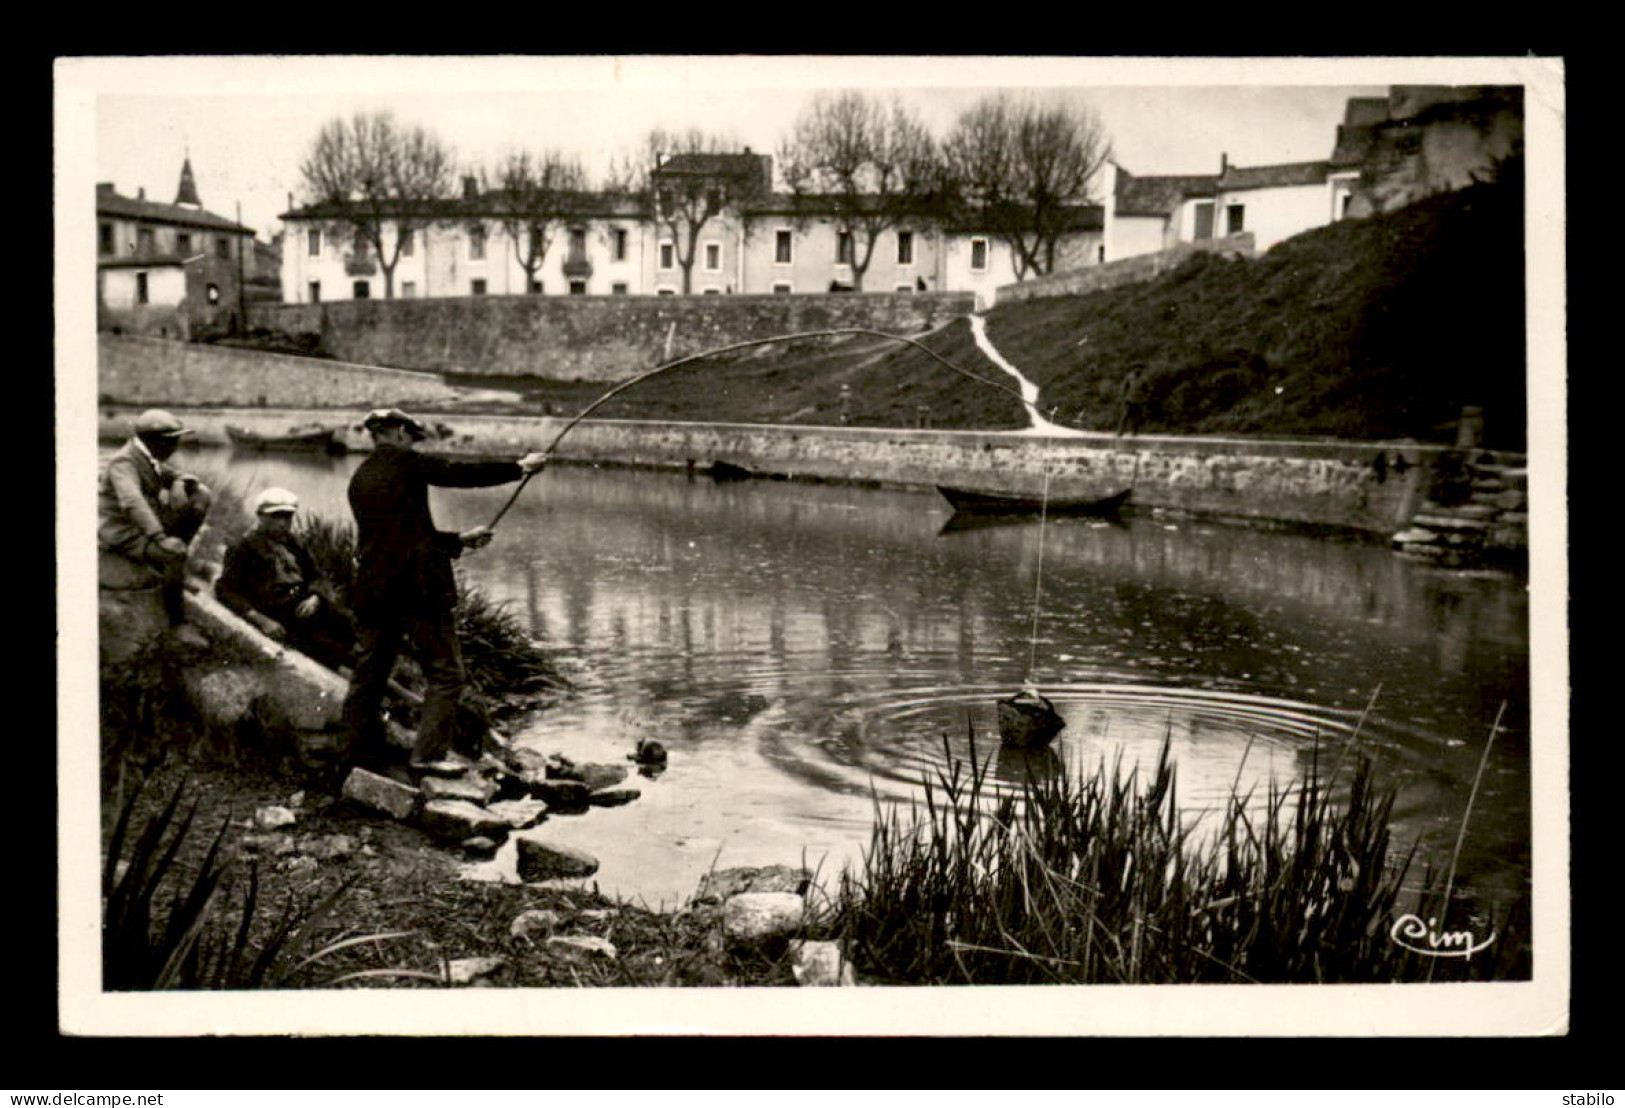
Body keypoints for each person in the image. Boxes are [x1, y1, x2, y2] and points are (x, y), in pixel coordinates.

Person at [339, 408, 548, 780]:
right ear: (400, 432)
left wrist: (457, 541)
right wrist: (519, 467)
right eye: (411, 434)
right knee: (446, 674)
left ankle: (355, 755)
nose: (412, 441)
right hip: (418, 593)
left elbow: (395, 539)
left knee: (369, 674)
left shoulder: (360, 476)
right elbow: (458, 474)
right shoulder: (408, 463)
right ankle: (428, 757)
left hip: (374, 592)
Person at [215, 487, 355, 672]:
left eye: (287, 517)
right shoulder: (243, 547)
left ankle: (381, 675)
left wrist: (314, 597)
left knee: (347, 625)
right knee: (327, 648)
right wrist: (261, 620)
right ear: (261, 516)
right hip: (279, 612)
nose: (283, 523)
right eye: (276, 516)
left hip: (306, 604)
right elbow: (225, 589)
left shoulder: (294, 543)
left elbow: (315, 576)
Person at [98, 408, 214, 626]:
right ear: (156, 441)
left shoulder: (146, 455)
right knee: (173, 555)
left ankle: (174, 570)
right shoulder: (124, 463)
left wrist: (179, 482)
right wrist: (161, 538)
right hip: (124, 533)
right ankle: (177, 624)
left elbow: (173, 474)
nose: (176, 447)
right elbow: (133, 502)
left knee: (201, 493)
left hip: (142, 528)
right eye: (173, 441)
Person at [1115, 364, 1149, 437]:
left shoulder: (1143, 379)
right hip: (1129, 400)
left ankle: (1134, 432)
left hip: (1138, 400)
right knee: (1125, 415)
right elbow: (1124, 388)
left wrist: (1144, 399)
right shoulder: (1129, 378)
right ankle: (1120, 432)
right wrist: (1122, 397)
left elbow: (1146, 390)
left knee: (1136, 416)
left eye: (1139, 368)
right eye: (1136, 368)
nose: (1138, 370)